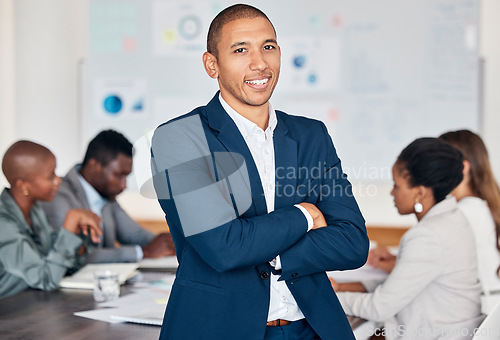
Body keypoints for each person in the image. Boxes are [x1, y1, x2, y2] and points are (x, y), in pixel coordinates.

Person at [150, 4, 368, 339]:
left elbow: (352, 243)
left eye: (268, 47)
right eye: (241, 50)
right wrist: (305, 216)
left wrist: (257, 243)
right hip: (219, 329)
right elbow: (224, 247)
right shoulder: (181, 138)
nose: (260, 63)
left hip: (311, 328)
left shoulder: (311, 135)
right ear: (212, 64)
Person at [332, 138, 483, 339]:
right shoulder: (454, 218)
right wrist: (340, 288)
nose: (392, 192)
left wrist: (327, 297)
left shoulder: (427, 235)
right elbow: (398, 287)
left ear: (420, 192)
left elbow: (379, 307)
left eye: (396, 185)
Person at [41, 129, 175, 264]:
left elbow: (135, 234)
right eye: (119, 175)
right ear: (94, 166)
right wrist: (143, 252)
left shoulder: (106, 196)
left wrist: (167, 243)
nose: (124, 185)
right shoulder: (58, 194)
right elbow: (73, 253)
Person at [0, 140, 102, 298]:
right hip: (9, 313)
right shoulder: (3, 224)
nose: (58, 180)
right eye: (50, 176)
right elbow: (47, 278)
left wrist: (77, 238)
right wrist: (68, 228)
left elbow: (58, 263)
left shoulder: (34, 210)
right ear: (23, 185)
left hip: (31, 303)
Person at [439, 130, 500, 304]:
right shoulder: (482, 206)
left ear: (463, 168)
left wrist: (389, 265)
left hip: (482, 309)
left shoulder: (464, 212)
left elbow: (431, 267)